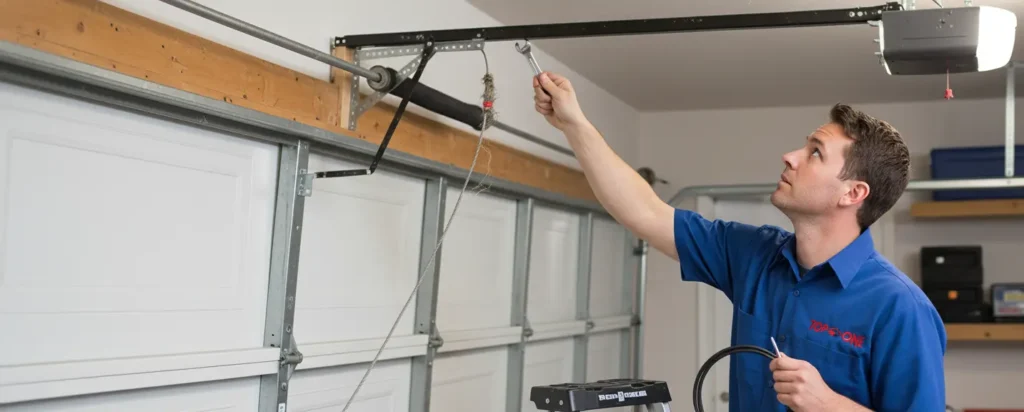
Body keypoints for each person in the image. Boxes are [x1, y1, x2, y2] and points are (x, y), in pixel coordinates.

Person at [531, 71, 946, 411]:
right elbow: (646, 213)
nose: (790, 156)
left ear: (852, 193)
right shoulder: (754, 255)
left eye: (815, 153)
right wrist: (574, 124)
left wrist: (828, 405)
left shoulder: (900, 308)